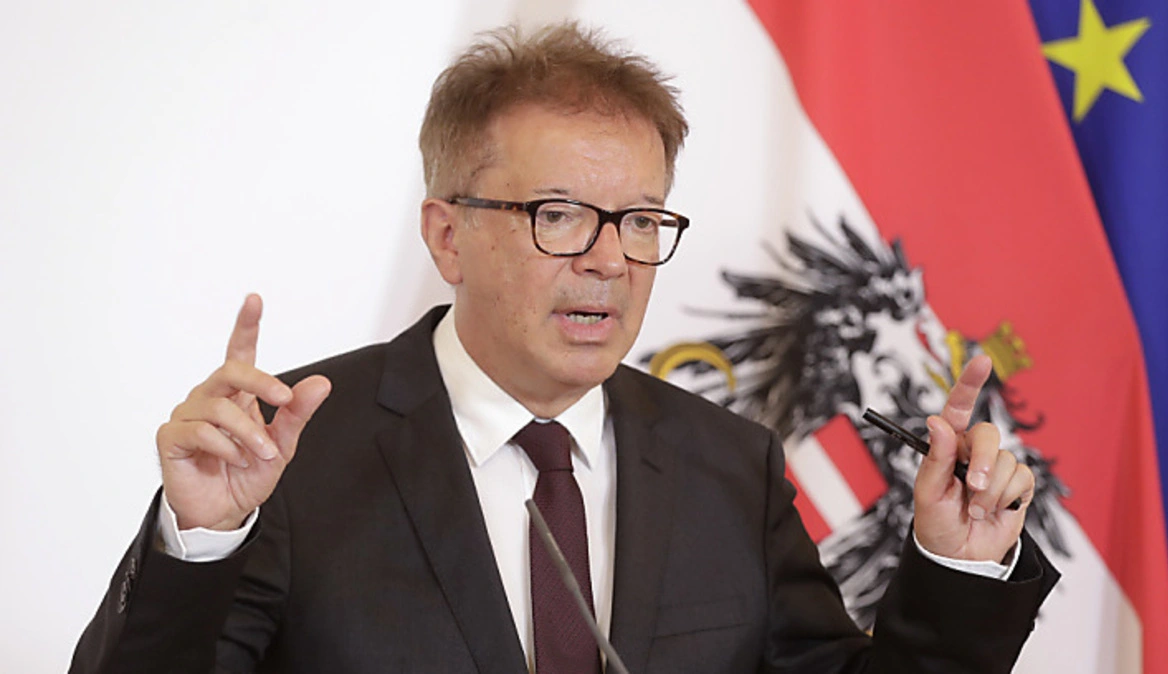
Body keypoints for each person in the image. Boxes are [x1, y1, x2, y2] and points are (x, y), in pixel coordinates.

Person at [71, 22, 1057, 674]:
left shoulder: (728, 464)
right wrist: (199, 542)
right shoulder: (288, 452)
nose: (609, 260)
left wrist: (955, 566)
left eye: (640, 220)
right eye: (559, 214)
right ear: (448, 236)